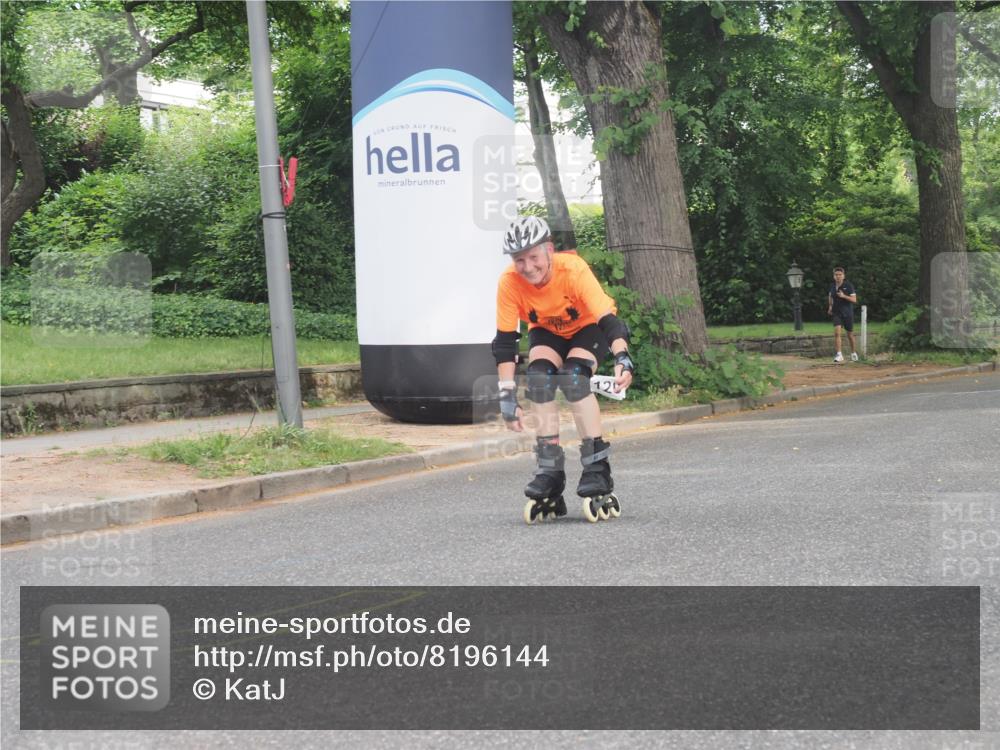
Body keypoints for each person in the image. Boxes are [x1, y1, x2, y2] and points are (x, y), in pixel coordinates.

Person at [491, 216, 634, 522]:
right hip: (547, 331)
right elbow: (505, 342)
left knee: (573, 378)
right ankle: (550, 471)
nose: (528, 267)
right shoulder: (509, 282)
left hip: (587, 328)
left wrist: (623, 359)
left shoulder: (573, 270)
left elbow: (608, 321)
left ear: (549, 251)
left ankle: (596, 468)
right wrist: (506, 395)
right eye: (519, 260)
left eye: (533, 257)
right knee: (539, 379)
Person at [828, 266, 858, 363]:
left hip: (847, 313)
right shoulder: (832, 286)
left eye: (840, 275)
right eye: (836, 275)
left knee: (850, 334)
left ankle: (853, 353)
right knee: (837, 333)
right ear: (834, 276)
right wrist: (830, 307)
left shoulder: (848, 286)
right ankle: (839, 354)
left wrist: (844, 296)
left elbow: (854, 300)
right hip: (837, 313)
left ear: (843, 276)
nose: (838, 276)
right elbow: (830, 296)